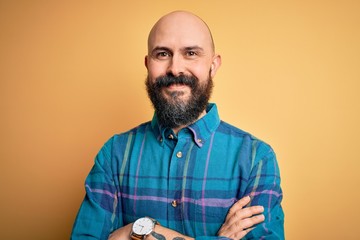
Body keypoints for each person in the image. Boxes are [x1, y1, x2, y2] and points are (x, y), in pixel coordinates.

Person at [71, 10, 284, 240]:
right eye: (162, 54)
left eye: (191, 53)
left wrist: (133, 233)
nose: (175, 68)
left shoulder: (256, 159)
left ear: (213, 66)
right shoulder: (114, 155)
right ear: (147, 64)